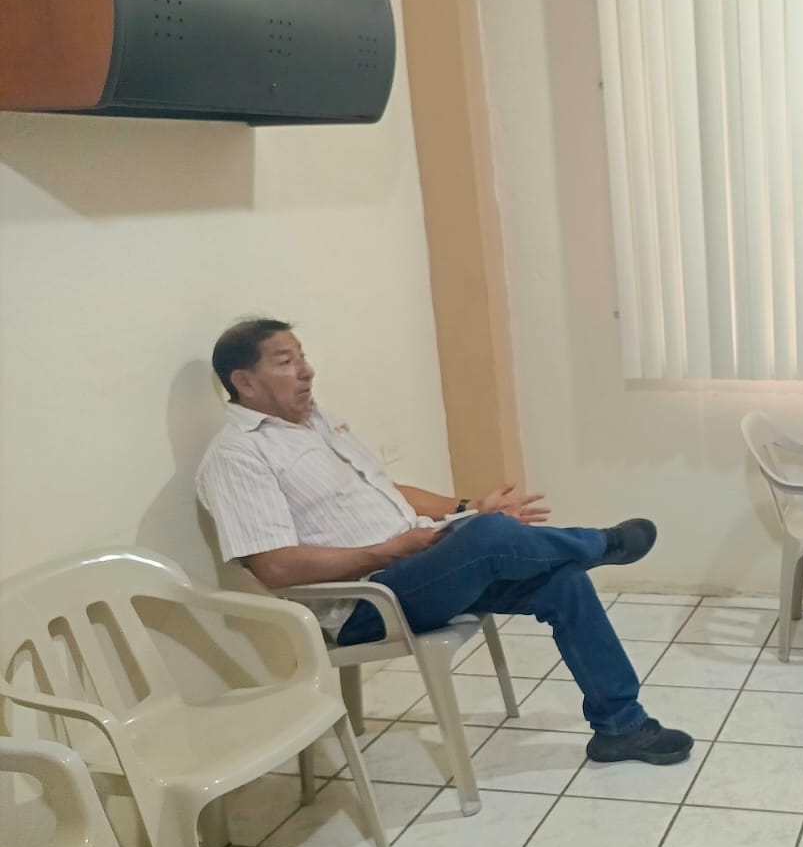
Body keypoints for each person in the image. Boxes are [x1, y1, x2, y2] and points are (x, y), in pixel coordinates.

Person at [195, 317, 692, 766]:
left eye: (302, 356)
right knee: (493, 535)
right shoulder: (237, 456)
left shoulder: (319, 421)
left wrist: (465, 507)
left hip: (417, 568)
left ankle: (622, 728)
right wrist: (390, 550)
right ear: (245, 381)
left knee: (562, 579)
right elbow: (274, 567)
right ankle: (600, 544)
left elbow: (386, 489)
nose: (306, 370)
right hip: (367, 602)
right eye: (286, 362)